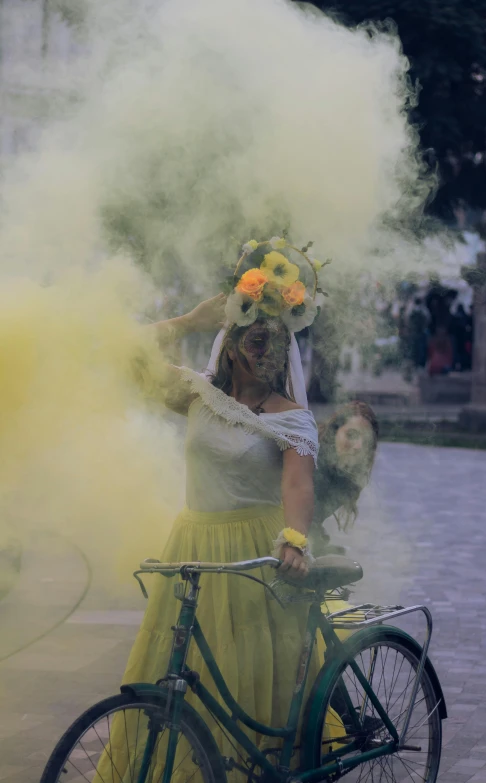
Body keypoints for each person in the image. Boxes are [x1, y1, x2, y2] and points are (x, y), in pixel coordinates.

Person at [98, 238, 327, 779]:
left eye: (270, 343)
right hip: (194, 547)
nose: (260, 351)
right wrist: (189, 319)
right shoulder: (198, 394)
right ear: (230, 341)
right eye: (250, 339)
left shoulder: (291, 418)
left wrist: (294, 540)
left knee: (245, 681)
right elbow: (124, 355)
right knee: (179, 671)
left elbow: (298, 486)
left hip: (254, 559)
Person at [310, 401, 379, 556]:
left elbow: (311, 519)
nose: (358, 446)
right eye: (351, 435)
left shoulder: (349, 478)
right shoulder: (311, 463)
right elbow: (294, 517)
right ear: (335, 433)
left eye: (367, 440)